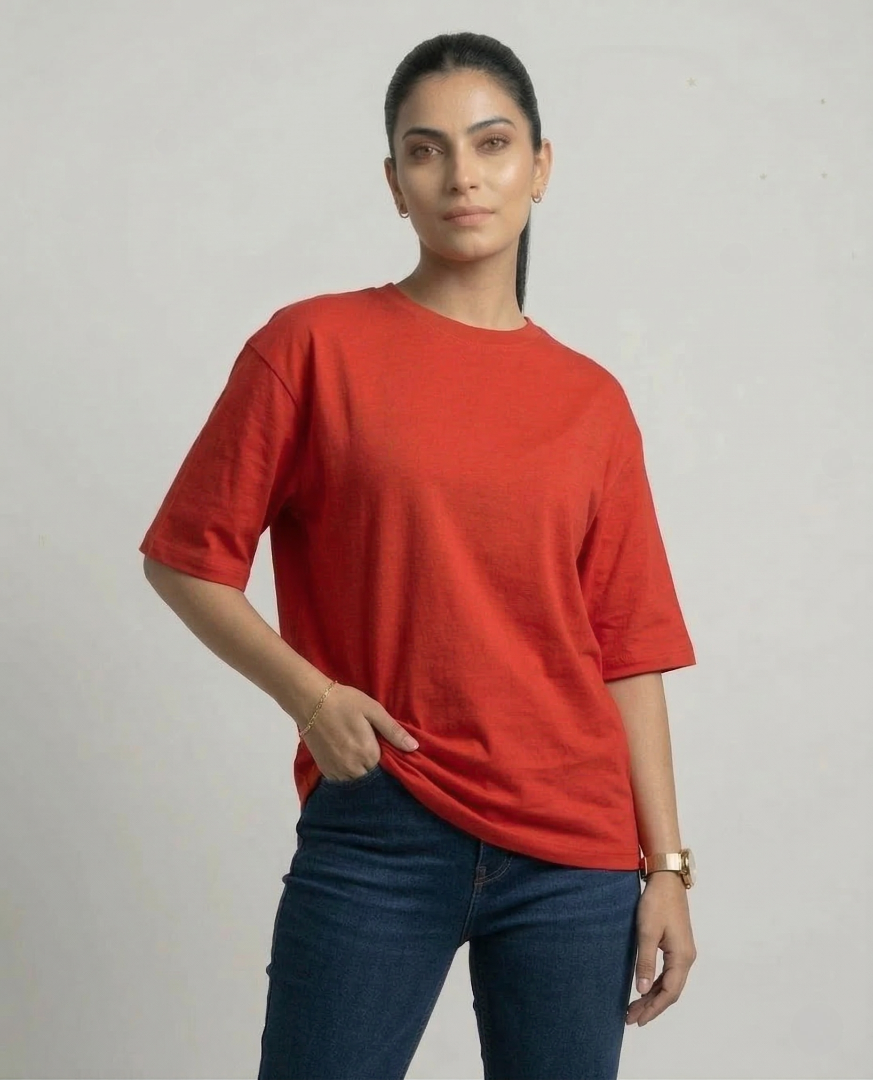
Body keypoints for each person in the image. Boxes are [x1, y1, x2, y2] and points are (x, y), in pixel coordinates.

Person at [139, 30, 698, 1080]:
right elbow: (185, 557)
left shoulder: (591, 403)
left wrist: (664, 864)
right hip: (381, 823)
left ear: (540, 165)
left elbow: (627, 650)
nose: (462, 176)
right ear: (395, 183)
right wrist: (311, 698)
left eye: (491, 144)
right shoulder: (311, 348)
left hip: (575, 852)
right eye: (426, 150)